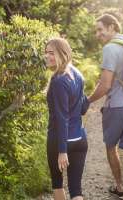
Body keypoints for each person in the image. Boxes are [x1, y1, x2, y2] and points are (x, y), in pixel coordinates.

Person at [87, 14, 123, 200]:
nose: (98, 34)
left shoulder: (110, 48)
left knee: (111, 146)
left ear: (112, 27)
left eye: (100, 29)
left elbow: (105, 85)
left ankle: (120, 187)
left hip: (117, 107)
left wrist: (87, 100)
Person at [45, 37, 89, 200]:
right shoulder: (77, 74)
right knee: (76, 189)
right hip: (80, 140)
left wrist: (62, 151)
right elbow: (83, 107)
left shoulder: (58, 80)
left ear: (62, 54)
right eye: (46, 53)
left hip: (59, 141)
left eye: (52, 53)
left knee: (57, 183)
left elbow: (62, 118)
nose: (47, 56)